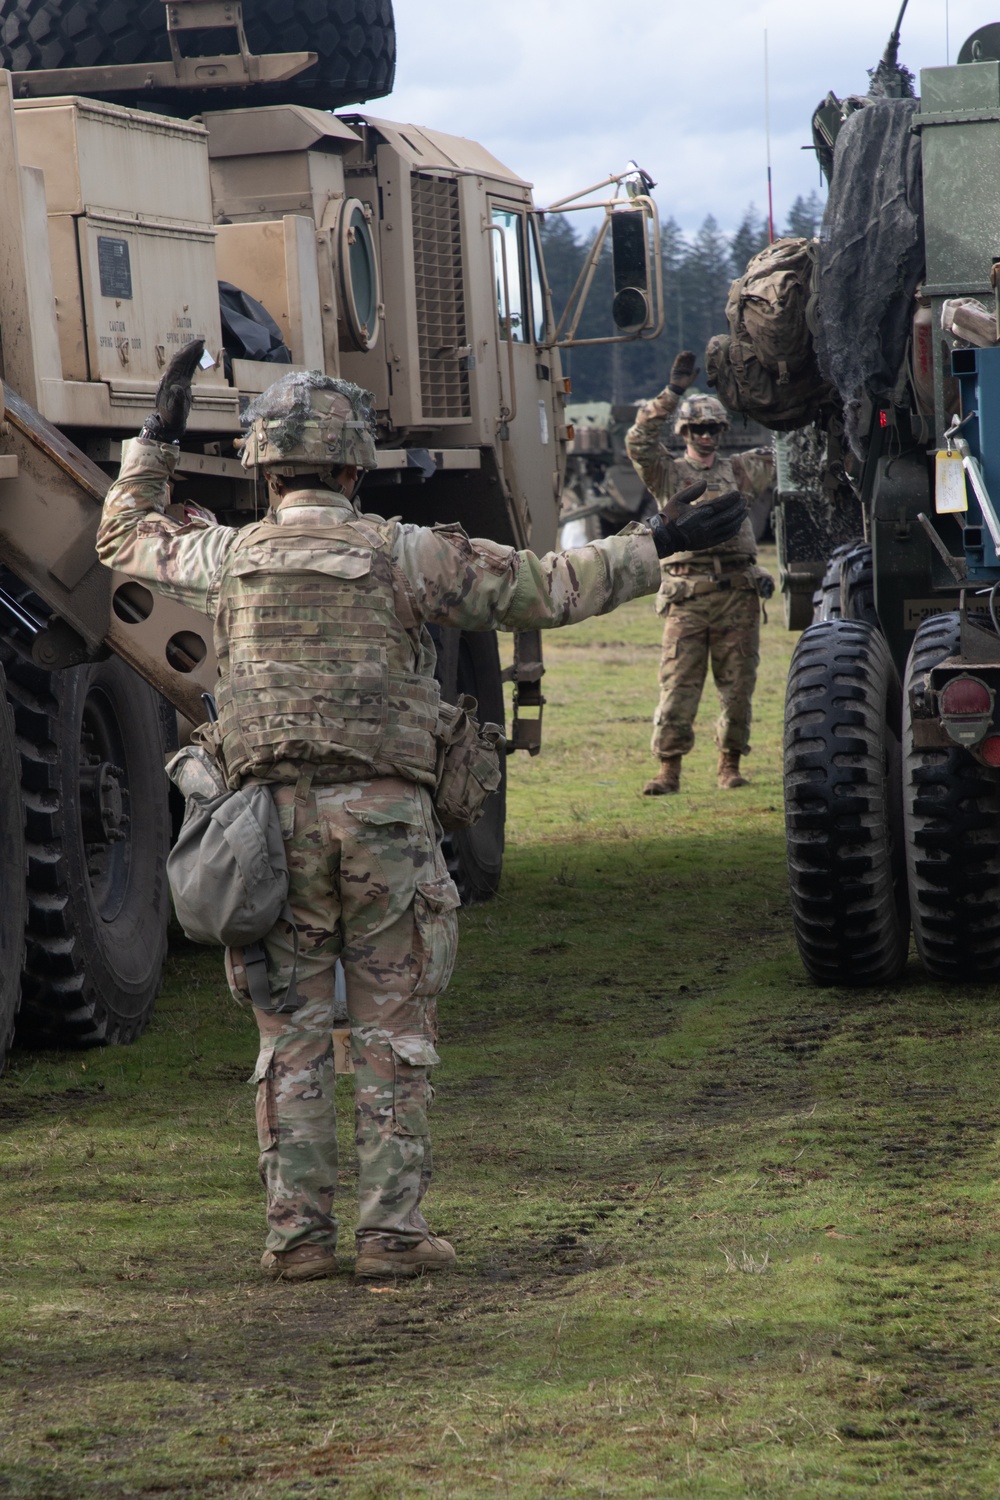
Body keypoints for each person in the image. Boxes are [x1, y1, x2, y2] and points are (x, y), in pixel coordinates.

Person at [96, 343, 746, 1283]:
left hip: (263, 829)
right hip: (387, 828)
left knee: (291, 1037)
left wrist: (154, 439)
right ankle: (392, 1233)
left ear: (265, 468)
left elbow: (123, 541)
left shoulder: (223, 556)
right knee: (393, 1030)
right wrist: (661, 541)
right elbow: (547, 587)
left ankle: (298, 1239)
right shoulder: (407, 555)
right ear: (356, 467)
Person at [626, 351, 775, 795]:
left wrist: (759, 385)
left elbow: (786, 449)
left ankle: (729, 765)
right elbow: (637, 441)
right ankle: (668, 770)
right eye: (698, 429)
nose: (706, 436)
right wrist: (671, 394)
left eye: (713, 428)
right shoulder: (667, 474)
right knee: (677, 688)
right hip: (687, 596)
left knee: (738, 690)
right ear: (685, 433)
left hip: (737, 596)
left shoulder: (739, 471)